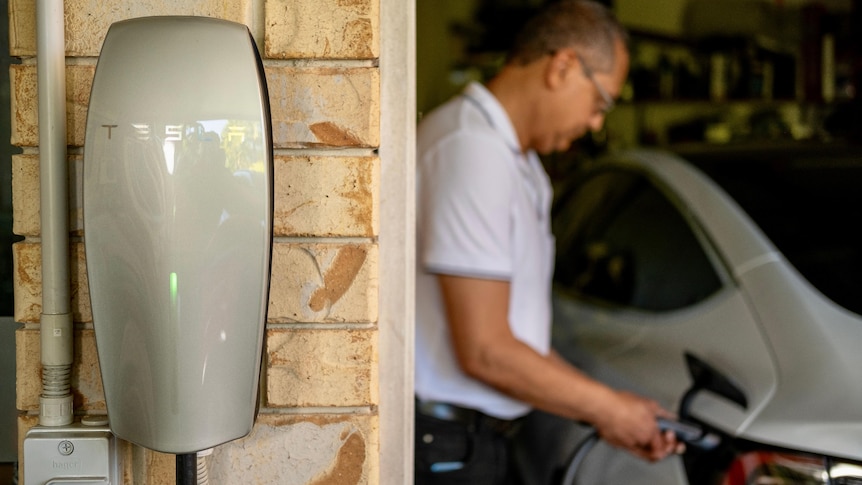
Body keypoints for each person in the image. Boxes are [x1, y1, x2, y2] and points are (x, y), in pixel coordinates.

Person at [414, 1, 680, 483]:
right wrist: (608, 408)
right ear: (563, 67)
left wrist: (607, 409)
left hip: (479, 439)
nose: (598, 123)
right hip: (445, 444)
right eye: (600, 102)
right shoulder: (472, 150)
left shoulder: (520, 163)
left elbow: (519, 338)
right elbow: (487, 350)